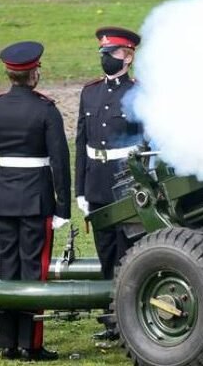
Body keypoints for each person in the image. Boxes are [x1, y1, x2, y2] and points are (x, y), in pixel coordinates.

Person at [0, 41, 71, 361]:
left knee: (7, 269)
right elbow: (60, 161)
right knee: (34, 271)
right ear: (33, 74)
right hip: (37, 202)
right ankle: (31, 345)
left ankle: (8, 343)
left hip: (3, 201)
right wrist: (63, 207)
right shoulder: (46, 109)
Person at [75, 26, 143, 341]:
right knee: (105, 251)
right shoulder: (89, 91)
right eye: (104, 53)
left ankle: (130, 320)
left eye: (112, 53)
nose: (106, 58)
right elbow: (80, 143)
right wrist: (80, 190)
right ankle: (111, 320)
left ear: (127, 57)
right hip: (97, 183)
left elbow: (149, 145)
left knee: (128, 251)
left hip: (126, 180)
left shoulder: (140, 94)